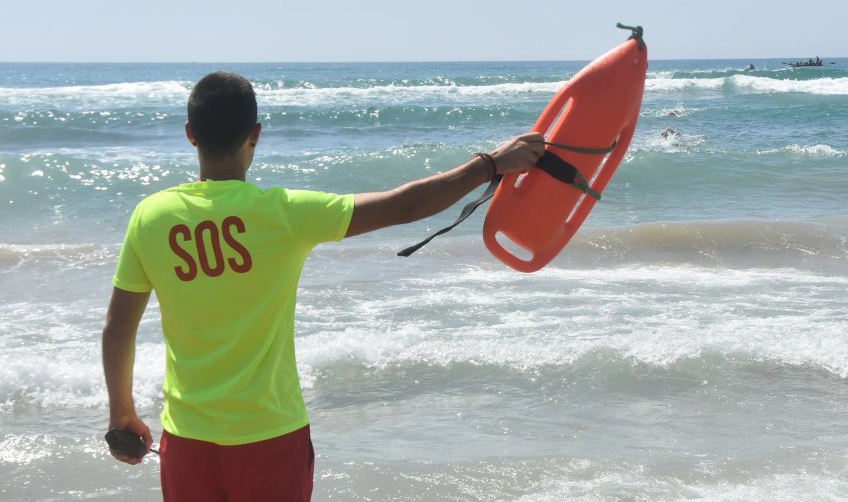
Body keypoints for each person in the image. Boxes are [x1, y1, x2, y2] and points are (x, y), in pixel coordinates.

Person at [101, 71, 545, 501]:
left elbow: (118, 327)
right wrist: (490, 164)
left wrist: (121, 412)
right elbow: (402, 205)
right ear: (255, 134)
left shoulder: (150, 216)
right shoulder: (283, 214)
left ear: (190, 134)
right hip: (269, 436)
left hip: (187, 441)